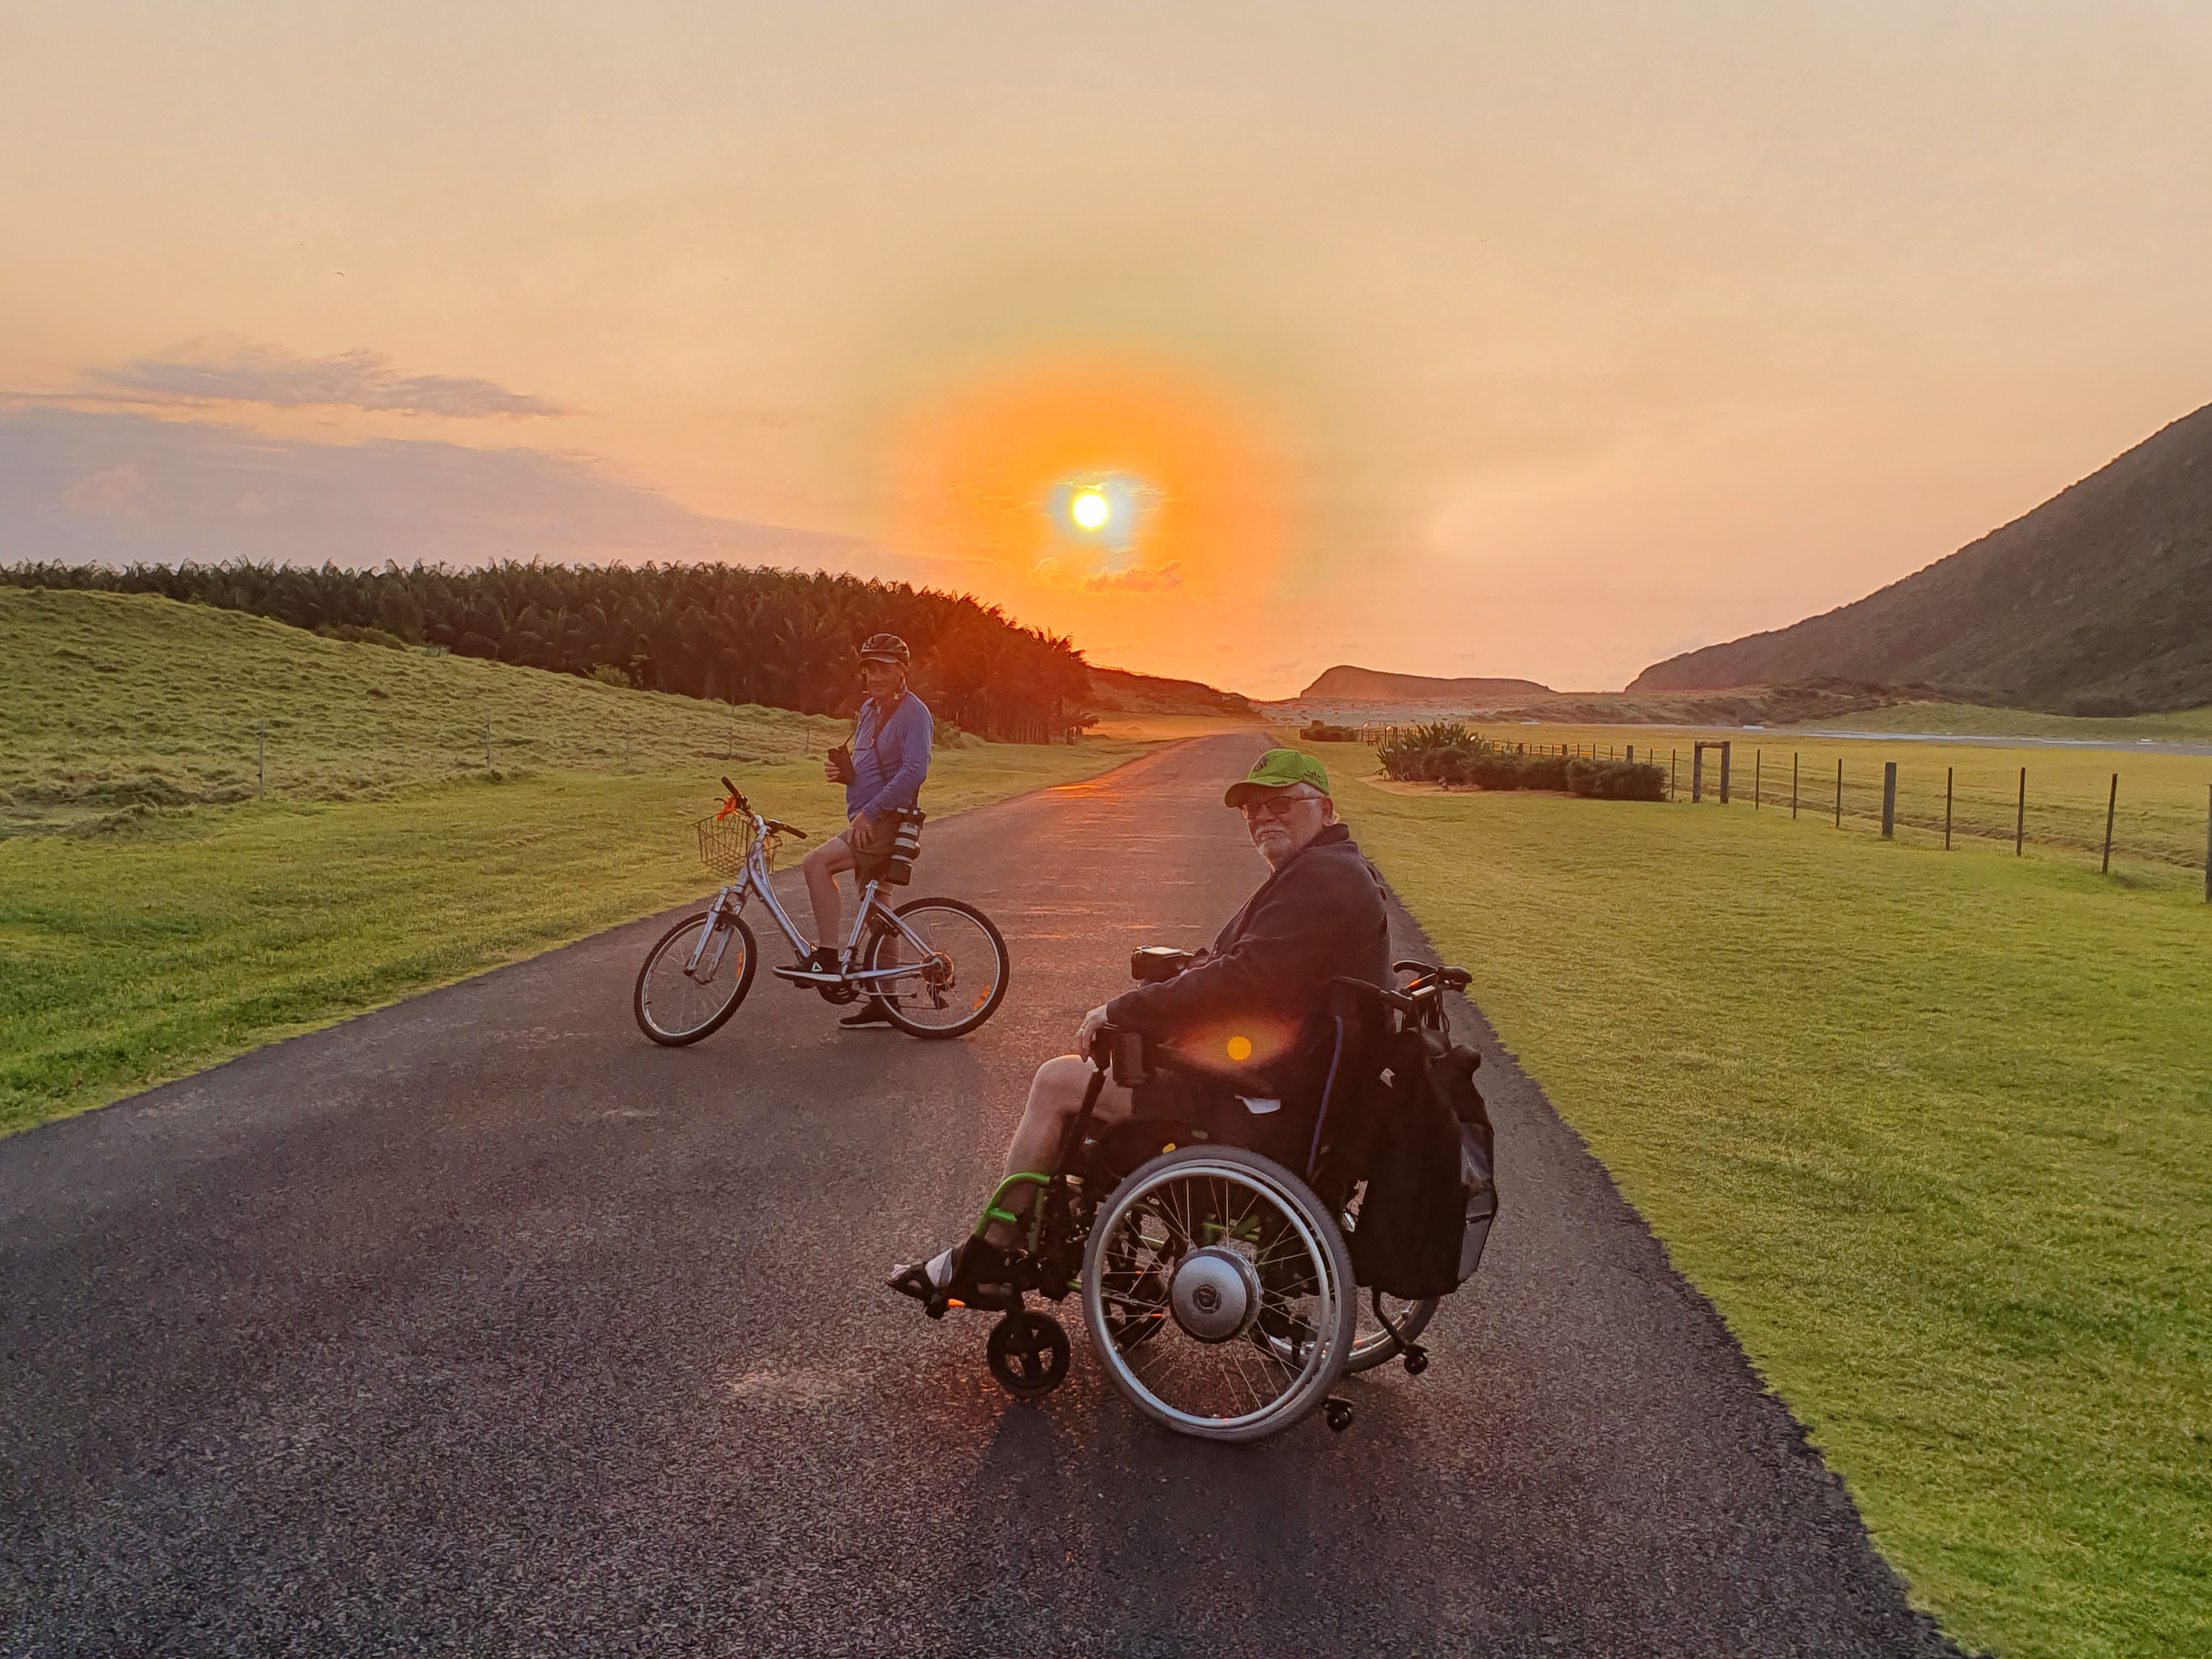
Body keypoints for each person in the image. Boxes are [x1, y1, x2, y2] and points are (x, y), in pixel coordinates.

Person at [891, 747, 1390, 1303]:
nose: (1264, 818)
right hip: (1286, 1086)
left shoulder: (1319, 879)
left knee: (1060, 1081)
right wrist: (1174, 988)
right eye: (1252, 810)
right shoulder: (1332, 869)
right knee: (1118, 1067)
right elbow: (1243, 968)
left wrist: (1128, 1010)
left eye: (1280, 804)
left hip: (1263, 1106)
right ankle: (1065, 1239)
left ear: (1324, 808)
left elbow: (1246, 978)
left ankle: (993, 1250)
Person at [798, 633, 933, 1028]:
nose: (876, 676)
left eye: (885, 669)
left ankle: (826, 955)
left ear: (901, 672)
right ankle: (885, 1001)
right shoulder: (869, 710)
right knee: (878, 908)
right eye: (870, 668)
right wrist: (844, 776)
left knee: (816, 865)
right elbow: (873, 767)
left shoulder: (914, 714)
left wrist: (870, 813)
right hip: (867, 817)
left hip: (884, 821)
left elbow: (914, 771)